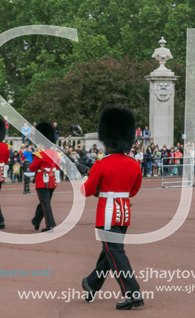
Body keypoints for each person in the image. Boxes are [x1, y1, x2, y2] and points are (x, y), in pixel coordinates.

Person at [80, 106, 144, 309]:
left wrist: (86, 177)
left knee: (115, 253)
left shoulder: (101, 164)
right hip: (124, 214)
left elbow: (87, 191)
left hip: (107, 215)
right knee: (109, 253)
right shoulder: (134, 164)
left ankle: (133, 294)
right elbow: (132, 191)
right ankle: (92, 283)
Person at [29, 122, 60, 232]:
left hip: (42, 181)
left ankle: (49, 225)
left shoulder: (40, 154)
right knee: (44, 202)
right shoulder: (55, 154)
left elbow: (32, 168)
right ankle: (36, 221)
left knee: (45, 202)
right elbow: (57, 166)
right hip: (52, 181)